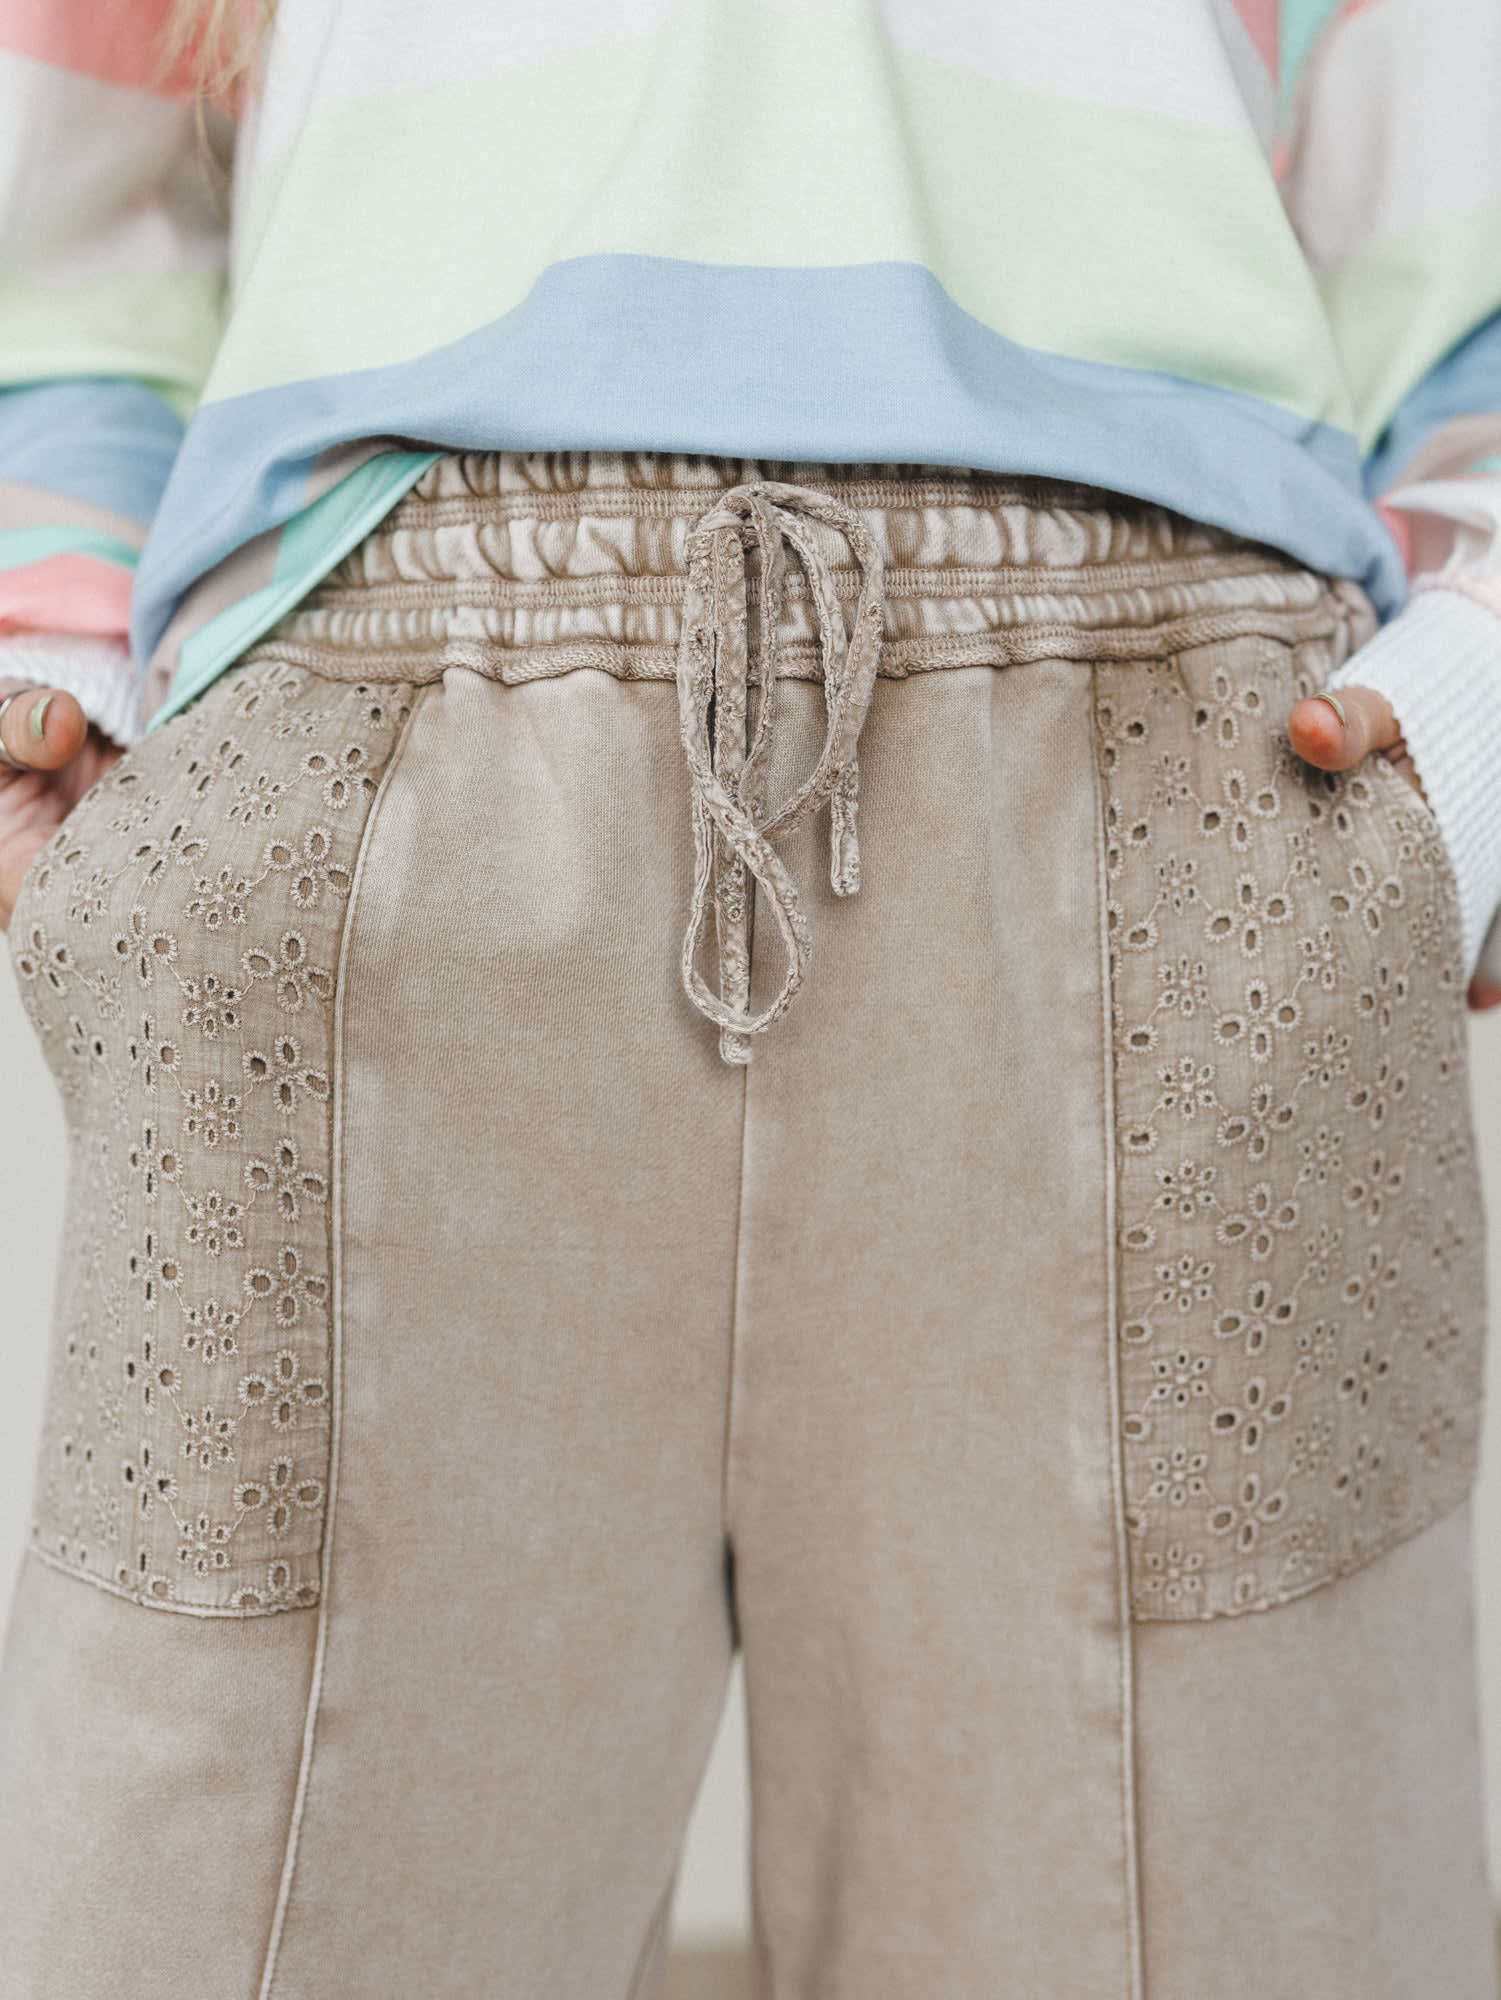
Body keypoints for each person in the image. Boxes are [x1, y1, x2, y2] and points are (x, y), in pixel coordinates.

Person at [0, 3, 1498, 1995]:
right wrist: (55, 652)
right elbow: (74, 230)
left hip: (1168, 792)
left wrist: (1477, 685)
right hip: (369, 763)